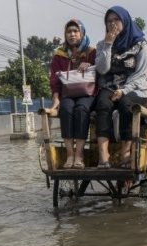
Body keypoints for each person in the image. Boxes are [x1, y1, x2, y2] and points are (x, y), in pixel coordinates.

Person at [94, 6, 147, 169]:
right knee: (102, 104)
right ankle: (103, 155)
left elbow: (141, 74)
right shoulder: (102, 44)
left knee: (127, 105)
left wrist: (124, 90)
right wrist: (108, 44)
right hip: (111, 86)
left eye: (116, 20)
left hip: (135, 88)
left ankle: (126, 153)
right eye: (109, 21)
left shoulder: (140, 45)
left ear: (125, 21)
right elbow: (102, 69)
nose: (112, 24)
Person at [48, 19, 97, 169]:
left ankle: (79, 155)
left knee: (81, 110)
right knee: (66, 109)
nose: (72, 34)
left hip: (87, 93)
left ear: (81, 33)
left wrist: (89, 64)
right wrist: (56, 101)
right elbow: (55, 81)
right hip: (67, 94)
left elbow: (101, 69)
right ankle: (70, 155)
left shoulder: (91, 52)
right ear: (65, 35)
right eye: (69, 32)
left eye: (75, 31)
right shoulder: (60, 55)